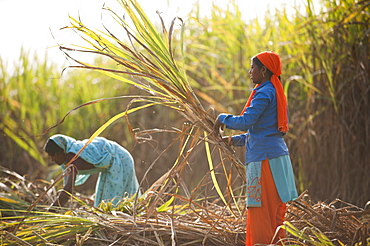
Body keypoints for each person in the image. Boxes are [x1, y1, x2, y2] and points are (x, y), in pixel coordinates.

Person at [213, 51, 298, 245]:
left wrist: (222, 118)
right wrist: (234, 141)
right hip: (276, 158)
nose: (250, 71)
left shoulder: (264, 92)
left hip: (265, 161)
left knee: (261, 216)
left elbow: (246, 121)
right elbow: (263, 132)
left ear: (264, 70)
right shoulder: (274, 91)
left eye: (253, 67)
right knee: (275, 218)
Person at [44, 134, 140, 208]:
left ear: (62, 151)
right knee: (104, 199)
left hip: (120, 158)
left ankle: (125, 219)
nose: (53, 159)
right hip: (111, 164)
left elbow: (68, 190)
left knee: (115, 200)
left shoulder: (74, 157)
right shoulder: (69, 156)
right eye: (50, 156)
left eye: (54, 155)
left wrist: (51, 210)